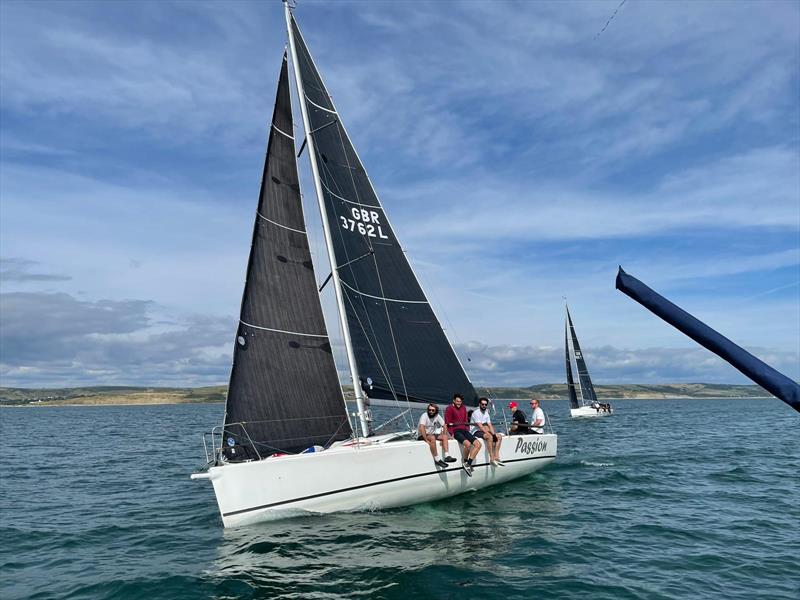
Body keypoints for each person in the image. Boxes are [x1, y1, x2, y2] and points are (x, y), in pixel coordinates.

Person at [444, 393, 481, 476]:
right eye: (457, 401)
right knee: (468, 444)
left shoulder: (464, 408)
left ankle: (468, 463)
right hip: (456, 431)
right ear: (453, 401)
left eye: (460, 402)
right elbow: (447, 423)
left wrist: (467, 429)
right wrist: (451, 434)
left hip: (465, 430)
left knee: (478, 444)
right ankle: (464, 461)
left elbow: (465, 421)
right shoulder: (449, 408)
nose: (459, 403)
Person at [418, 403, 456, 468]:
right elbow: (421, 428)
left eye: (433, 410)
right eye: (429, 410)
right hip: (422, 434)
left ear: (436, 411)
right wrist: (426, 439)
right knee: (432, 438)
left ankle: (447, 456)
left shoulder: (437, 416)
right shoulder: (424, 415)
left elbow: (444, 425)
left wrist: (443, 435)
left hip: (431, 434)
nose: (431, 411)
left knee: (445, 436)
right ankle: (437, 459)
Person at [471, 397, 504, 466]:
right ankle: (491, 458)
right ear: (479, 404)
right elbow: (480, 426)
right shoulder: (476, 413)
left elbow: (490, 425)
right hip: (476, 431)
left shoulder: (486, 413)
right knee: (489, 437)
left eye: (486, 404)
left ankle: (497, 457)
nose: (484, 406)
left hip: (483, 430)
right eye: (482, 404)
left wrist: (494, 434)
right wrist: (490, 434)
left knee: (499, 437)